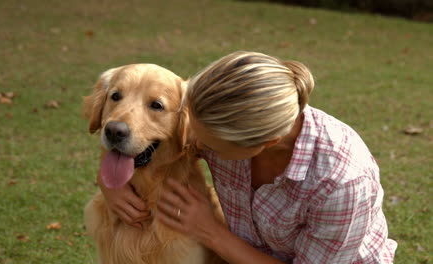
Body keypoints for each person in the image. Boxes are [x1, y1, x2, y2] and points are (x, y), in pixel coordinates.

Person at [98, 51, 397, 263]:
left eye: (206, 141)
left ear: (267, 143)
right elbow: (147, 141)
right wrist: (111, 182)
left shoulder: (342, 183)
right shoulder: (221, 112)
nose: (193, 141)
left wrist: (212, 233)